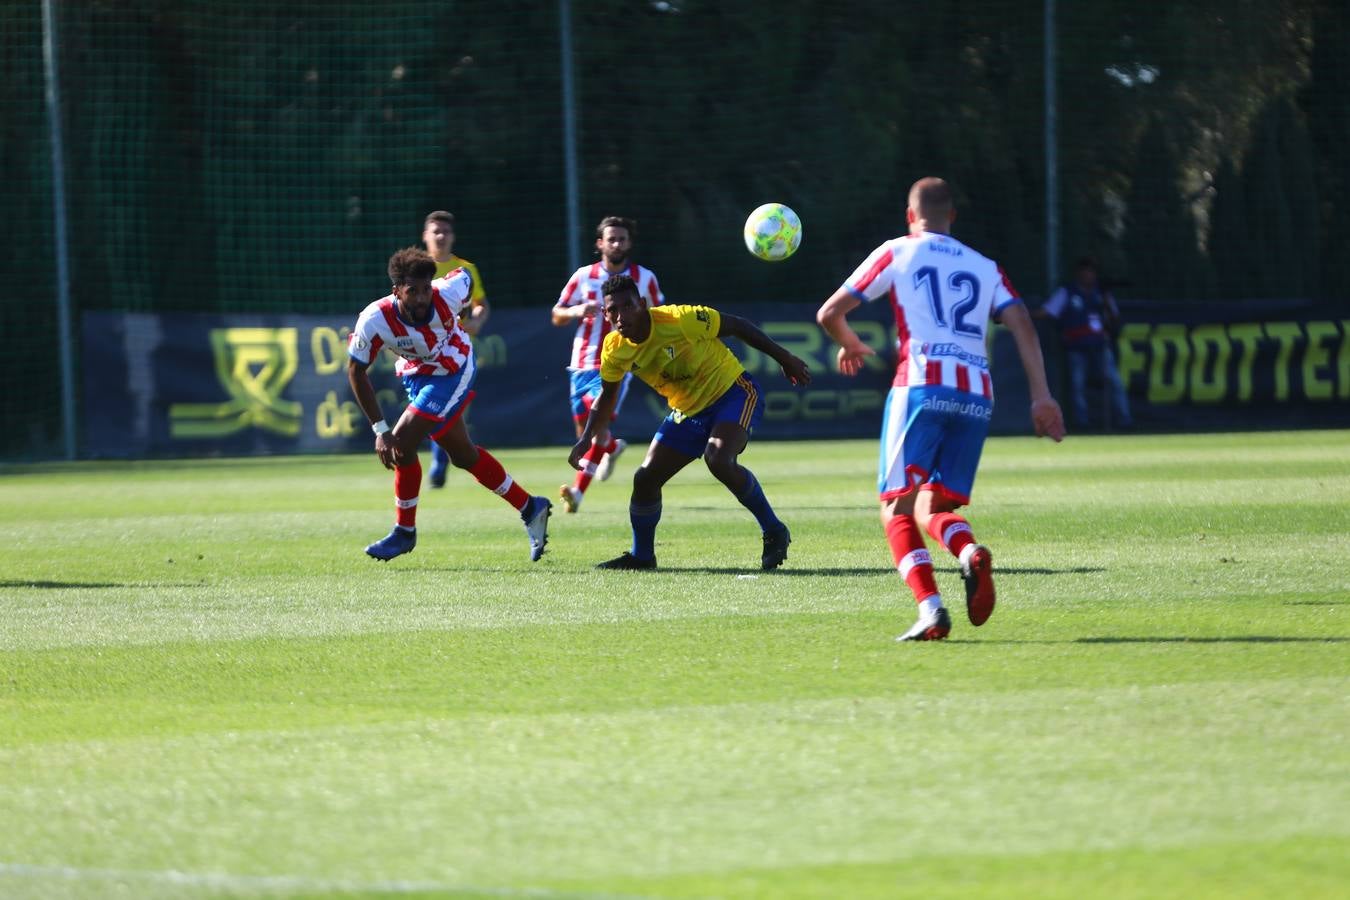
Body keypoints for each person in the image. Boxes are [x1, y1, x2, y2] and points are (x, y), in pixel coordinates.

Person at [816, 177, 1065, 641]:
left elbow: (830, 313)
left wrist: (848, 343)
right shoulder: (986, 266)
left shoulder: (897, 250)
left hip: (921, 385)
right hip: (976, 393)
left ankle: (931, 609)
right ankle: (969, 553)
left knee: (896, 507)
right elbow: (1022, 323)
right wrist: (1041, 395)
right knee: (934, 504)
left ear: (911, 216)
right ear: (953, 216)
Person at [571, 273, 811, 570]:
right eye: (612, 311)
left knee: (719, 458)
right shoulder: (614, 348)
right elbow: (607, 396)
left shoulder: (682, 319)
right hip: (688, 411)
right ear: (606, 314)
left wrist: (785, 358)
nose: (621, 316)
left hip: (733, 393)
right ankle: (642, 556)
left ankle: (774, 529)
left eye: (627, 306)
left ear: (642, 304)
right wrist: (586, 439)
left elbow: (738, 326)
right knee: (645, 479)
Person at [347, 247, 551, 562]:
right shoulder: (374, 320)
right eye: (411, 291)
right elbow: (356, 371)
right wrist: (379, 430)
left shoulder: (447, 291)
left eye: (425, 289)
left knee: (402, 444)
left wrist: (474, 313)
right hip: (417, 377)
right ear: (396, 291)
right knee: (463, 456)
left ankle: (404, 532)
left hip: (454, 370)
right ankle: (530, 507)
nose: (421, 298)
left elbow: (467, 276)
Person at [552, 216, 664, 514]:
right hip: (580, 363)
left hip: (619, 362)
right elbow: (557, 314)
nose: (616, 244)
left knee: (597, 421)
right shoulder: (583, 276)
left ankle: (577, 493)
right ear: (599, 243)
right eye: (611, 239)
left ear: (629, 243)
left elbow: (659, 314)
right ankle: (611, 448)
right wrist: (578, 309)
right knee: (586, 433)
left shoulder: (645, 278)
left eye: (622, 239)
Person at [422, 210, 491, 488]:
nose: (440, 236)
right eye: (435, 231)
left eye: (445, 232)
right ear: (425, 236)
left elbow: (481, 304)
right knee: (430, 409)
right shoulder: (417, 267)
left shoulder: (465, 269)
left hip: (457, 352)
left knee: (453, 410)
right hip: (423, 352)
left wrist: (476, 320)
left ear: (452, 236)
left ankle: (439, 462)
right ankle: (442, 457)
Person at [1034, 256, 1133, 430]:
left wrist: (1106, 307)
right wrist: (1021, 315)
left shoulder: (1102, 293)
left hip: (1100, 346)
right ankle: (1082, 422)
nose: (1089, 274)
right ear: (1079, 273)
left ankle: (1125, 420)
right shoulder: (1068, 292)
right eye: (1086, 270)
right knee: (1077, 385)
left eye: (1092, 271)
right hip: (1076, 347)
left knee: (1114, 382)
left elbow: (1115, 319)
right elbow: (1047, 312)